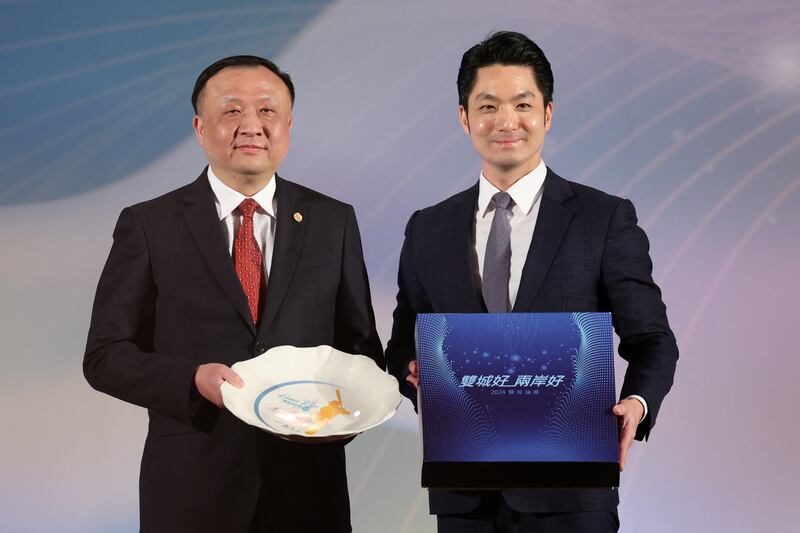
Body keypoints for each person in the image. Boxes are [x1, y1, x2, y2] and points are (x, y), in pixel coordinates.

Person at [386, 31, 678, 532]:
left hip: (572, 494)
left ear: (547, 113)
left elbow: (652, 340)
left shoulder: (602, 219)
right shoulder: (427, 228)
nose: (506, 122)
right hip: (464, 497)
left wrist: (637, 402)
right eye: (488, 105)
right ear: (464, 117)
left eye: (523, 104)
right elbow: (399, 344)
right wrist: (414, 374)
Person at [84, 55, 383, 533]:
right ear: (200, 129)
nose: (251, 125)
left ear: (287, 125)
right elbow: (104, 355)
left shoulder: (333, 221)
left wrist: (340, 421)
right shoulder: (149, 225)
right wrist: (191, 380)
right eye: (231, 111)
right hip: (192, 491)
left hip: (308, 491)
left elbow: (362, 348)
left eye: (267, 111)